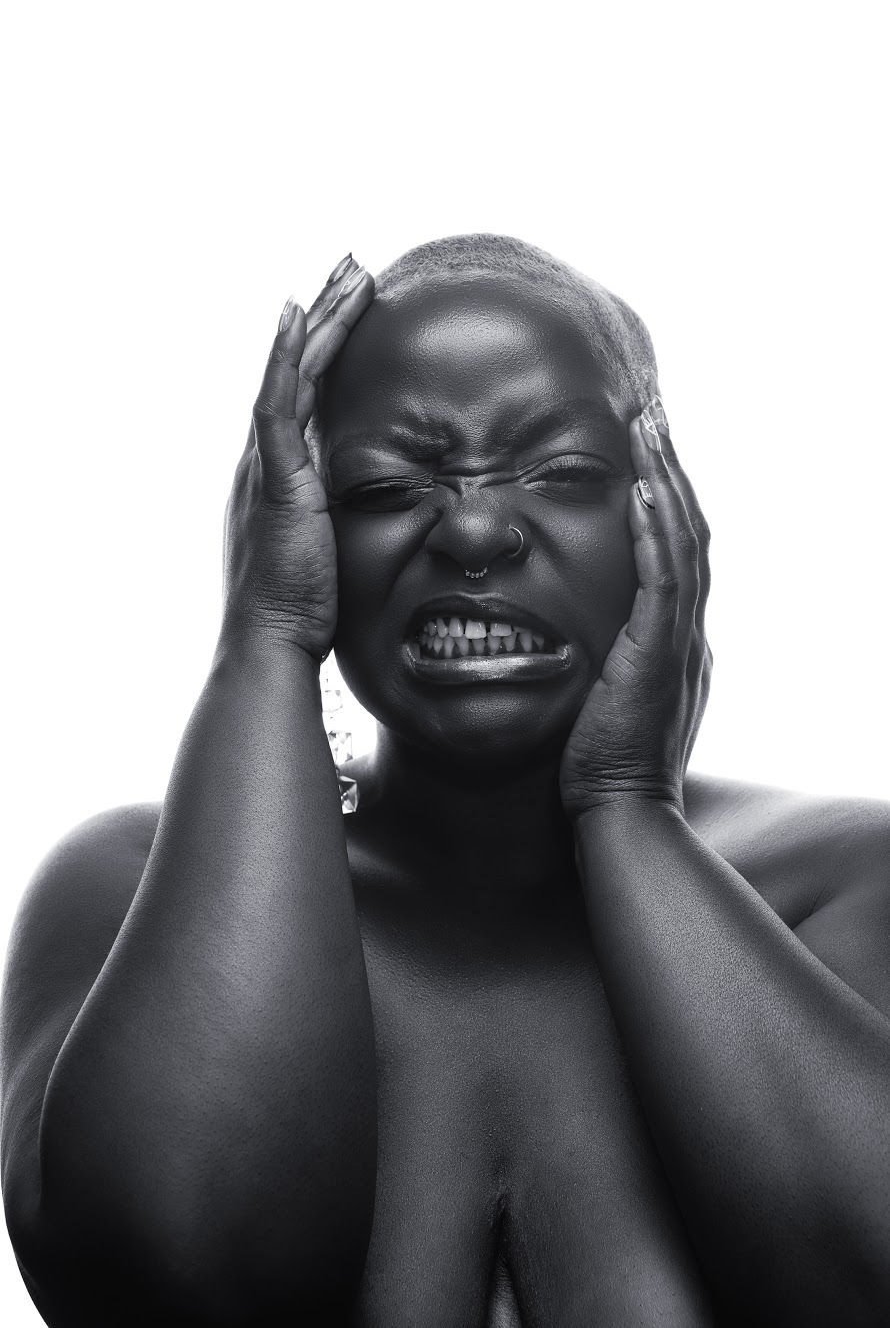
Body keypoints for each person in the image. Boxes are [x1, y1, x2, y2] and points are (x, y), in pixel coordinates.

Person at [1, 234, 889, 1328]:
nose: (472, 528)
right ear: (299, 526)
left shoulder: (841, 884)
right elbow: (169, 1282)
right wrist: (266, 642)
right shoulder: (130, 883)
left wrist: (626, 808)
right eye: (383, 485)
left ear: (664, 511)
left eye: (559, 472)